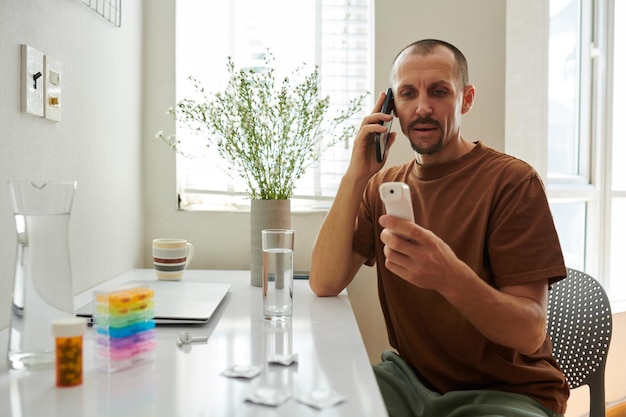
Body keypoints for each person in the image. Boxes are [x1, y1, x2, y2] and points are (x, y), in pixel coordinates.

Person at [309, 39, 569, 417]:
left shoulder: (512, 183)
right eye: (408, 94)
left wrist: (449, 277)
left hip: (506, 394)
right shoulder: (383, 188)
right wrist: (355, 176)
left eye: (439, 91)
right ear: (391, 107)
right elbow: (324, 282)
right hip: (409, 379)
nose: (423, 107)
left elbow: (529, 333)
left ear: (466, 99)